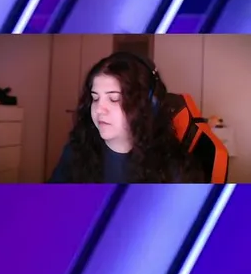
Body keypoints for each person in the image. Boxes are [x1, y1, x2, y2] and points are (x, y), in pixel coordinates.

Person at [48, 51, 203, 183]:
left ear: (148, 104)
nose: (99, 109)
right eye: (95, 98)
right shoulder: (76, 151)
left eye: (114, 99)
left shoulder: (173, 169)